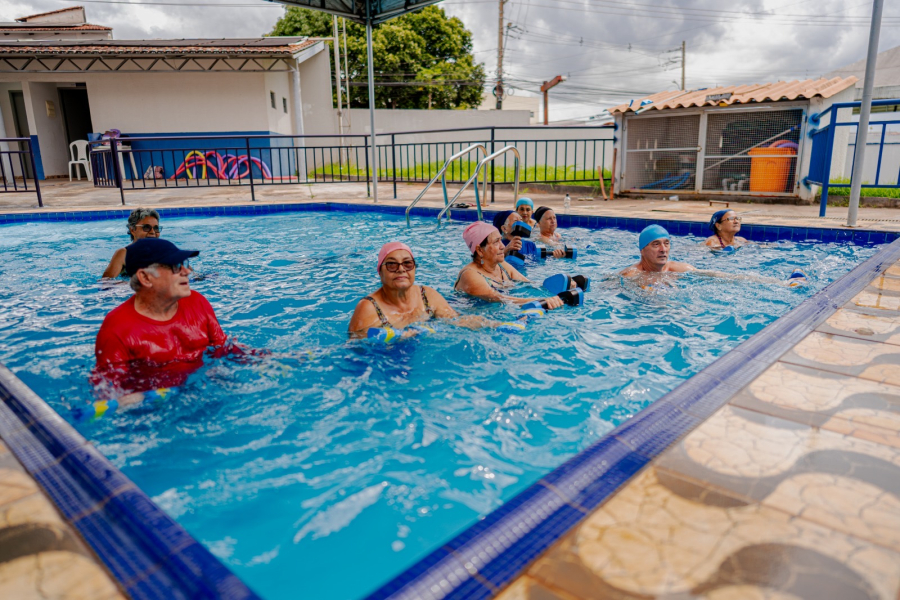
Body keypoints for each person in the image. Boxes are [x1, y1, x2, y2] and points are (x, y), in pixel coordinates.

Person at [94, 238, 233, 397]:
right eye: (175, 267)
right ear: (145, 278)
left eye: (184, 264)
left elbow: (223, 348)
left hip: (204, 391)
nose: (187, 272)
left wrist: (262, 360)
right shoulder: (117, 329)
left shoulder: (198, 303)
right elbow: (108, 392)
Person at [349, 242, 487, 336]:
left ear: (414, 269)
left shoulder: (426, 295)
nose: (401, 269)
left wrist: (492, 325)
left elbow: (455, 321)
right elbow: (356, 349)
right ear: (380, 272)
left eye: (407, 263)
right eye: (391, 265)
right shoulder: (369, 307)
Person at [454, 222, 564, 308]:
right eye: (496, 242)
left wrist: (562, 287)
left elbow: (530, 284)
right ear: (479, 250)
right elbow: (499, 298)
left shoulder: (501, 265)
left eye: (501, 240)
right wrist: (540, 301)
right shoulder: (469, 275)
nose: (502, 246)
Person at [102, 208, 161, 278]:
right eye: (146, 227)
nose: (153, 232)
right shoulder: (123, 254)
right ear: (132, 230)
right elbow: (106, 283)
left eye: (156, 228)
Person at [620, 225, 696, 277]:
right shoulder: (631, 275)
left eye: (666, 244)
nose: (663, 250)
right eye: (656, 244)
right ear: (642, 250)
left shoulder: (679, 269)